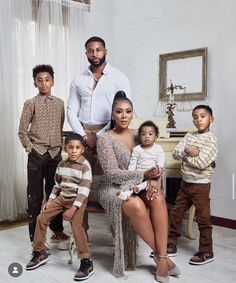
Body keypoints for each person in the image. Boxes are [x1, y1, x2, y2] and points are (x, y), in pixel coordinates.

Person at [96, 93, 180, 282]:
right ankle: (160, 258)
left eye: (128, 111)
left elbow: (157, 160)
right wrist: (144, 175)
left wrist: (156, 180)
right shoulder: (104, 139)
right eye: (119, 112)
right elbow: (112, 174)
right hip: (113, 187)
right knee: (136, 206)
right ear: (112, 114)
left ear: (132, 114)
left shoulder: (139, 135)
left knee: (157, 196)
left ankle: (162, 256)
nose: (124, 116)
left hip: (137, 184)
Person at [67, 36, 131, 233]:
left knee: (112, 182)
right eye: (90, 50)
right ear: (86, 53)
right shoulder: (78, 79)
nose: (94, 54)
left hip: (109, 135)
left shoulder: (119, 77)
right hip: (82, 136)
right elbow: (71, 110)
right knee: (79, 182)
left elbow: (123, 109)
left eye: (98, 50)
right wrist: (84, 136)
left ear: (105, 51)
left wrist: (100, 136)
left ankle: (115, 231)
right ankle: (81, 230)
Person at [26, 133, 94, 281]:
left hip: (78, 201)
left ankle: (86, 262)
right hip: (62, 198)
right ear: (65, 148)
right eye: (71, 147)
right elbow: (57, 186)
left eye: (77, 148)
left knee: (77, 226)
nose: (74, 151)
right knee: (41, 218)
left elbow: (83, 192)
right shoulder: (62, 164)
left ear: (82, 149)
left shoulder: (85, 167)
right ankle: (39, 252)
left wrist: (73, 208)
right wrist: (50, 200)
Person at [18, 64, 68, 244]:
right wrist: (30, 148)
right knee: (35, 196)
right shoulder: (30, 103)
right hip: (37, 155)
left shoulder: (60, 103)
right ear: (35, 83)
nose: (44, 83)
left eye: (47, 80)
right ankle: (35, 238)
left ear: (52, 82)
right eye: (40, 80)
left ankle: (57, 230)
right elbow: (22, 130)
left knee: (55, 194)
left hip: (55, 154)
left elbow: (60, 127)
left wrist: (59, 147)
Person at [167, 105, 218, 266]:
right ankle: (171, 242)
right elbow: (176, 152)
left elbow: (202, 163)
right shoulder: (189, 135)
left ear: (211, 119)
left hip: (201, 185)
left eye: (203, 116)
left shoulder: (211, 139)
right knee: (176, 214)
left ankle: (206, 250)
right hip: (185, 183)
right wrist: (190, 151)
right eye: (195, 117)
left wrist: (186, 155)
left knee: (203, 218)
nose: (199, 119)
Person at [116, 120, 165, 201]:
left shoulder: (158, 148)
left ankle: (138, 188)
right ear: (139, 137)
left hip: (151, 175)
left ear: (155, 137)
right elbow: (133, 163)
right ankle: (126, 194)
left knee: (149, 182)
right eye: (143, 134)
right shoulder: (137, 149)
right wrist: (131, 174)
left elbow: (160, 161)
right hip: (139, 175)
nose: (146, 136)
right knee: (130, 184)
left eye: (150, 134)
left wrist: (158, 169)